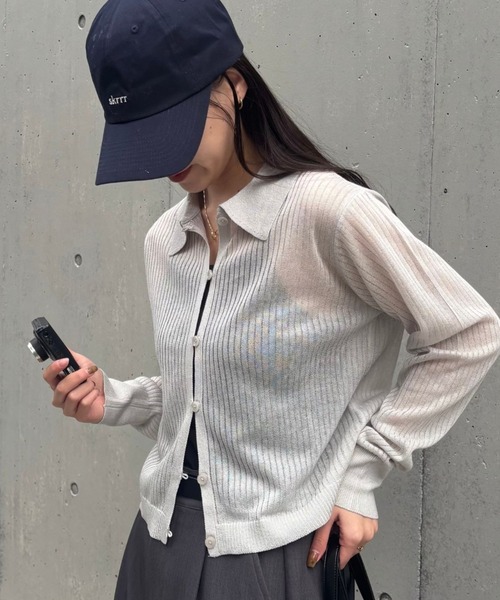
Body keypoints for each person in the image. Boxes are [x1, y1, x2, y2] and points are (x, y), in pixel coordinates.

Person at [43, 0, 500, 598]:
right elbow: (208, 401)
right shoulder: (166, 241)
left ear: (233, 86)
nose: (163, 159)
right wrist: (117, 399)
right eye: (142, 138)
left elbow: (467, 333)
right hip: (156, 543)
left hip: (272, 558)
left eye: (172, 127)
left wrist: (363, 474)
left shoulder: (326, 213)